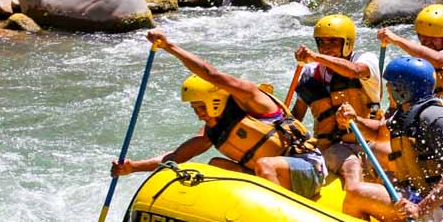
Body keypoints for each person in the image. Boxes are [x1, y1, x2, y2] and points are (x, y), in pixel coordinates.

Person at [111, 30, 325, 198]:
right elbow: (175, 157)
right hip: (269, 176)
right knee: (216, 165)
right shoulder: (211, 132)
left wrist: (170, 47)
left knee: (265, 164)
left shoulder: (251, 99)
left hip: (307, 168)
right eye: (195, 110)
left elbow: (211, 73)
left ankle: (280, 220)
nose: (199, 115)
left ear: (216, 100)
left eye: (202, 107)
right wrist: (132, 167)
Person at [340, 57, 443, 222]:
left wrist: (420, 209)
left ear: (402, 90)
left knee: (355, 194)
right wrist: (354, 120)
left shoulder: (436, 118)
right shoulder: (408, 111)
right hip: (429, 201)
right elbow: (379, 134)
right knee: (375, 162)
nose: (387, 88)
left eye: (390, 84)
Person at [292, 14, 382, 182]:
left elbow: (355, 71)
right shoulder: (311, 71)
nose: (326, 48)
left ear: (347, 43)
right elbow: (297, 114)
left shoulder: (366, 60)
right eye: (322, 42)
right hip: (333, 146)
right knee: (351, 165)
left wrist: (316, 57)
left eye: (333, 42)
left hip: (369, 140)